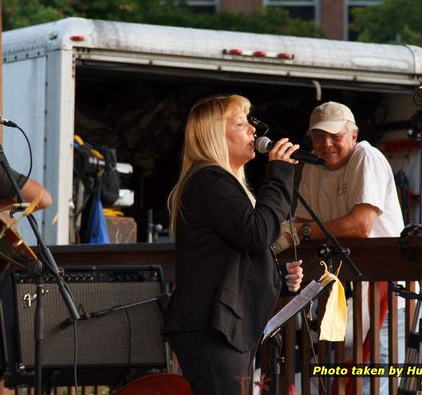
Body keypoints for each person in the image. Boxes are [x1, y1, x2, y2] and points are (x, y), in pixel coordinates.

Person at [162, 94, 304, 395]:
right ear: (215, 135)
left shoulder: (221, 183)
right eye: (241, 124)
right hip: (211, 327)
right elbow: (257, 233)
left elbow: (234, 256)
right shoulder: (208, 179)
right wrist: (278, 174)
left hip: (224, 326)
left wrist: (278, 280)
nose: (254, 131)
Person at [292, 101, 405, 391]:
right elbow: (299, 229)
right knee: (342, 383)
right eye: (318, 136)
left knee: (376, 384)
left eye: (335, 136)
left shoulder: (367, 155)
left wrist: (305, 230)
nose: (326, 143)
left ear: (353, 135)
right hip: (341, 296)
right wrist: (300, 230)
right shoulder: (311, 166)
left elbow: (361, 225)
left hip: (387, 295)